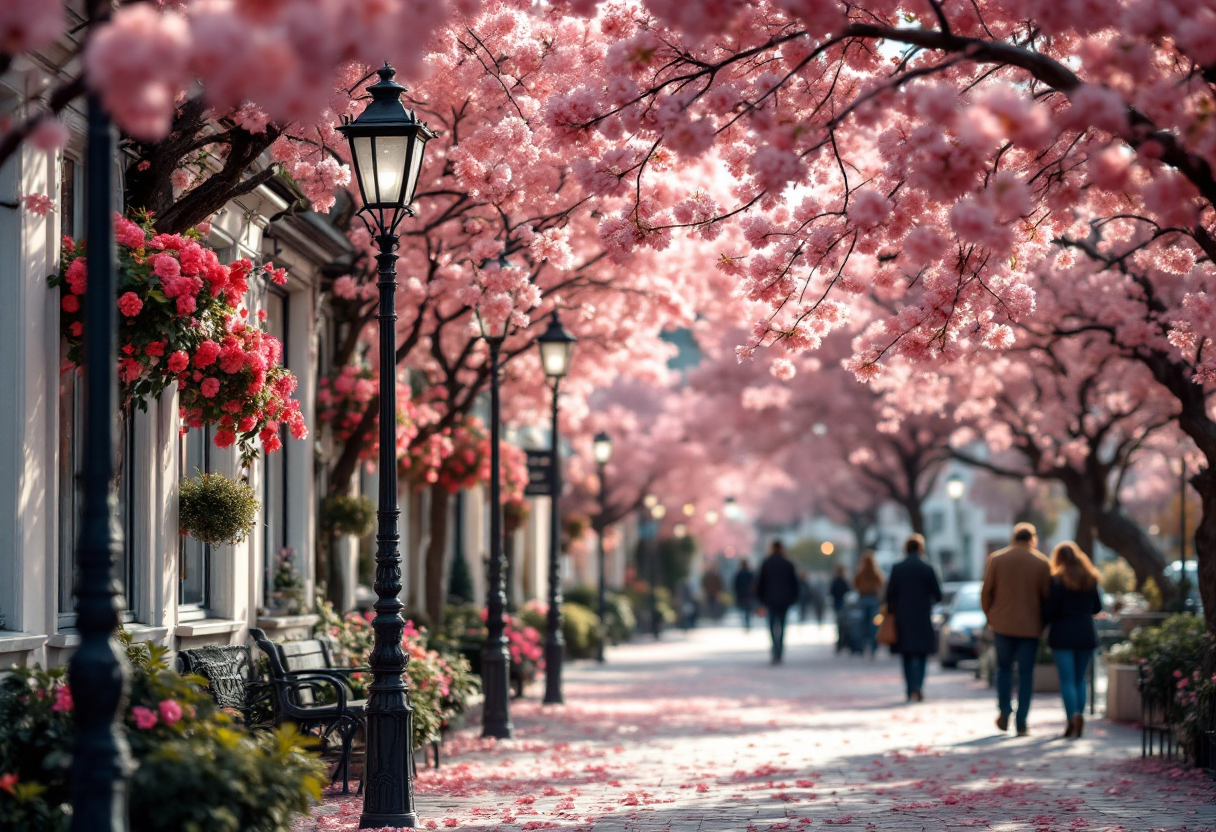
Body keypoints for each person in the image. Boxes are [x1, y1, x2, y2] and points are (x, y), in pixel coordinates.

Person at [981, 522, 1052, 736]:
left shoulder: (997, 558)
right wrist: (1043, 623)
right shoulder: (1041, 562)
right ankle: (1022, 721)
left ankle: (1004, 710)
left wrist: (991, 617)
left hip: (1002, 624)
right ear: (1032, 538)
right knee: (1026, 674)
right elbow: (1047, 598)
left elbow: (986, 593)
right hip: (1030, 627)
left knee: (1003, 670)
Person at [1042, 541, 1103, 739]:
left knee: (1067, 681)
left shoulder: (1057, 580)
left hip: (1063, 634)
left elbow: (1050, 610)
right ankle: (1080, 715)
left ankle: (1072, 718)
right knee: (1080, 680)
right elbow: (1097, 608)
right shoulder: (1090, 579)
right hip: (1086, 632)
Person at [885, 534, 943, 703]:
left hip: (902, 617)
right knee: (921, 654)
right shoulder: (928, 568)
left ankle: (910, 688)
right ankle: (918, 686)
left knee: (907, 655)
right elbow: (938, 595)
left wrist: (891, 612)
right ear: (920, 548)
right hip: (922, 616)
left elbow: (889, 595)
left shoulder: (898, 568)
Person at [755, 540, 799, 663]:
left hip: (770, 600)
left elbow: (760, 583)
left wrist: (760, 598)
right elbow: (794, 584)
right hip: (785, 600)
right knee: (782, 625)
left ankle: (775, 648)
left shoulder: (766, 563)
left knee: (771, 625)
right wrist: (794, 598)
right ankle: (779, 649)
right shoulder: (788, 564)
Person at [853, 551, 885, 659]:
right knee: (874, 624)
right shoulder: (876, 572)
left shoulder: (860, 573)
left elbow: (855, 584)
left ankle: (862, 646)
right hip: (873, 599)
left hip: (863, 599)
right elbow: (881, 584)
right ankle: (873, 646)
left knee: (862, 624)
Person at [829, 565, 850, 652]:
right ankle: (842, 641)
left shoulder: (835, 581)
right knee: (843, 624)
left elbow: (831, 592)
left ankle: (840, 642)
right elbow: (848, 591)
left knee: (839, 623)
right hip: (843, 604)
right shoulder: (844, 581)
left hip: (837, 604)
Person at [734, 561, 756, 630]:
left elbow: (736, 585)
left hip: (743, 595)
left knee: (745, 609)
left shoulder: (739, 574)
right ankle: (747, 622)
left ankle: (746, 622)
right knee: (747, 609)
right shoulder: (749, 574)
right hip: (747, 595)